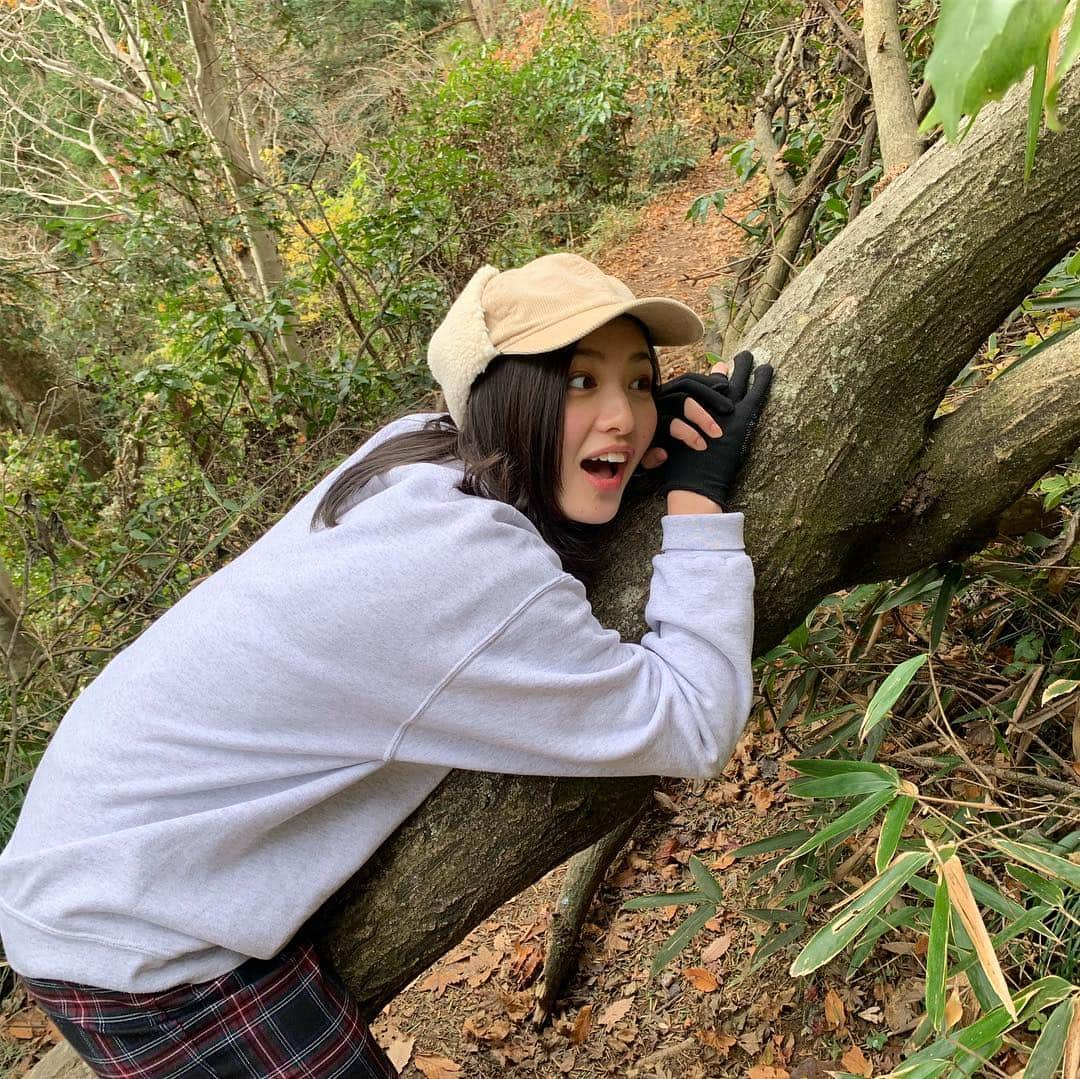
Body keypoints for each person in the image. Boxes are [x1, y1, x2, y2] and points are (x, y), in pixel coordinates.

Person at [0, 252, 772, 1078]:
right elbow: (692, 721)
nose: (622, 413)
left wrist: (637, 457)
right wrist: (696, 502)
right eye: (579, 382)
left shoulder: (416, 452)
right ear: (505, 397)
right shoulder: (462, 567)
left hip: (100, 853)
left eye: (639, 383)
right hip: (140, 941)